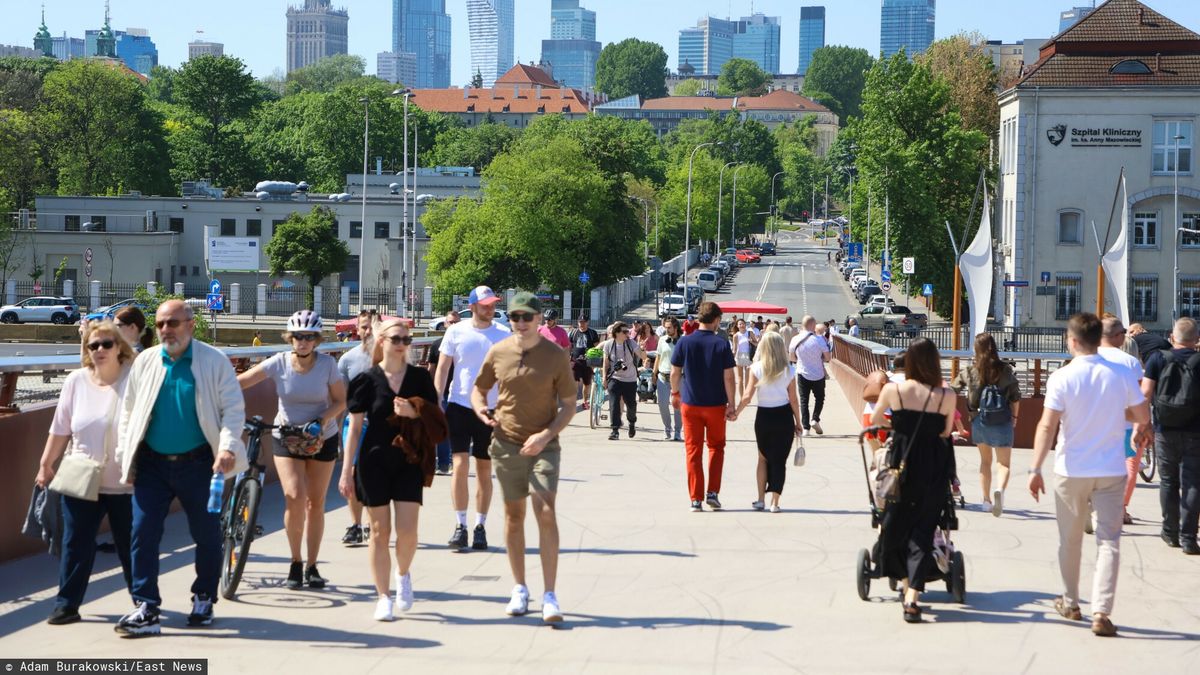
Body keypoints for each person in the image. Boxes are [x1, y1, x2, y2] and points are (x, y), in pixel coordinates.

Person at [114, 300, 246, 637]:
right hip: (152, 464)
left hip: (199, 463)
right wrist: (124, 455)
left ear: (190, 324)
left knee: (206, 534)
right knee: (142, 533)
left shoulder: (212, 361)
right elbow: (128, 412)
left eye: (172, 323)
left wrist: (228, 447)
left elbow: (232, 408)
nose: (165, 331)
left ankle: (203, 597)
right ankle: (146, 607)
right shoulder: (145, 361)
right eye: (159, 325)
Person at [1028, 313, 1148, 637]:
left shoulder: (1062, 378)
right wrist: (1133, 424)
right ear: (1100, 339)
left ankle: (1070, 602)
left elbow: (1047, 425)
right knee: (1109, 542)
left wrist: (1035, 468)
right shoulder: (1120, 374)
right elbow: (1141, 412)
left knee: (1070, 540)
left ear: (1073, 341)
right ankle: (1101, 612)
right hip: (1110, 469)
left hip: (1071, 469)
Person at [471, 292, 576, 623]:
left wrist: (546, 435)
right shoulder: (499, 351)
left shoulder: (555, 356)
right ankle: (519, 588)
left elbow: (570, 404)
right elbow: (478, 388)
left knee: (545, 511)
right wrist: (481, 410)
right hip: (506, 443)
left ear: (538, 319)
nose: (520, 323)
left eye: (526, 317)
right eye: (515, 317)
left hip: (544, 443)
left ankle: (550, 595)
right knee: (513, 515)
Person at [339, 319, 445, 621]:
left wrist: (415, 411)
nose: (402, 344)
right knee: (378, 532)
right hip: (373, 461)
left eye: (406, 340)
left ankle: (403, 573)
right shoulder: (366, 380)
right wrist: (346, 471)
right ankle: (383, 595)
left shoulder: (419, 379)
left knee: (408, 532)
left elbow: (436, 417)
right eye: (396, 339)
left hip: (409, 460)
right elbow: (355, 429)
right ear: (381, 341)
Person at [36, 321, 135, 625]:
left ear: (120, 346)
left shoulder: (135, 379)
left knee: (132, 546)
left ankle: (144, 604)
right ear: (86, 350)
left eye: (106, 343)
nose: (100, 350)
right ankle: (67, 604)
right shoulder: (77, 381)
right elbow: (60, 428)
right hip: (82, 476)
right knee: (76, 543)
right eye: (93, 345)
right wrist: (45, 465)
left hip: (127, 481)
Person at [237, 310, 345, 589]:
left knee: (315, 503)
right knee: (294, 496)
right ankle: (295, 562)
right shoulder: (279, 363)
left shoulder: (327, 366)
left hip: (321, 437)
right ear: (290, 338)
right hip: (286, 436)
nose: (303, 342)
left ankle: (312, 565)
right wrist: (209, 384)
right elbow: (242, 382)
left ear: (317, 340)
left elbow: (341, 401)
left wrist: (321, 421)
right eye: (298, 336)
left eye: (309, 337)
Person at [870, 337, 957, 624]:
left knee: (896, 527)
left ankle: (906, 585)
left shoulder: (894, 390)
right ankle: (912, 597)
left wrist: (898, 425)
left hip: (901, 468)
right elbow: (945, 433)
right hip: (933, 470)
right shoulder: (946, 396)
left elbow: (878, 421)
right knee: (922, 532)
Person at [434, 286, 511, 552]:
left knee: (483, 470)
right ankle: (460, 525)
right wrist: (437, 400)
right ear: (473, 306)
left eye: (493, 304)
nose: (490, 308)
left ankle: (480, 526)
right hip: (459, 405)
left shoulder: (503, 334)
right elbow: (443, 368)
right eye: (486, 304)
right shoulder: (456, 331)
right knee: (459, 465)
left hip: (490, 410)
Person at [1138, 317, 1200, 554]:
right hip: (1195, 431)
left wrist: (1145, 425)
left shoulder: (1158, 358)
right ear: (1196, 340)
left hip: (1165, 429)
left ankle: (1170, 532)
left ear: (1172, 337)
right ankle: (1188, 538)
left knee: (1168, 481)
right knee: (1193, 482)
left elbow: (1145, 394)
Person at [670, 301, 737, 512]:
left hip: (691, 404)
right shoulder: (721, 344)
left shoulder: (684, 342)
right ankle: (712, 493)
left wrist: (675, 393)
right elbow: (728, 376)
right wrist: (732, 404)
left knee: (693, 450)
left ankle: (695, 499)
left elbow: (675, 372)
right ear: (716, 320)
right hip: (716, 405)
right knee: (716, 448)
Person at [950, 333, 1020, 517]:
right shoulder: (1005, 370)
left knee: (985, 462)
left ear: (976, 349)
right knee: (1003, 464)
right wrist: (1015, 417)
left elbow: (952, 389)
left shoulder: (970, 371)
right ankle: (1000, 491)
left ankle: (986, 501)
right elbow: (1015, 396)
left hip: (978, 420)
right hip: (1002, 419)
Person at [734, 332, 802, 513]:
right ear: (781, 347)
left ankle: (760, 499)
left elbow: (747, 396)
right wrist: (799, 422)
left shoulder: (756, 368)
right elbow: (793, 399)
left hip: (763, 417)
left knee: (762, 458)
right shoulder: (789, 369)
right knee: (780, 461)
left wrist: (736, 413)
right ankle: (775, 503)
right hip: (784, 416)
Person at [1096, 318, 1146, 526]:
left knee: (1099, 465)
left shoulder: (1091, 357)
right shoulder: (1131, 363)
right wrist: (1143, 423)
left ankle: (1097, 503)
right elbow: (1140, 396)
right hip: (1126, 424)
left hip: (1097, 423)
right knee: (1130, 466)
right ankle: (1120, 508)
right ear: (1119, 336)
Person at [338, 310, 379, 545]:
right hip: (354, 426)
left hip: (382, 426)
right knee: (352, 474)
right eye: (364, 327)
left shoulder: (391, 357)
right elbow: (341, 400)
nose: (368, 331)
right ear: (357, 329)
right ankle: (356, 524)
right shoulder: (347, 360)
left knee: (375, 476)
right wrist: (331, 431)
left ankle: (376, 524)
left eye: (372, 326)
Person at [425, 310, 461, 476]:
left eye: (455, 322)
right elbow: (431, 370)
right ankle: (444, 463)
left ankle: (455, 460)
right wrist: (432, 391)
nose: (452, 325)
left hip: (460, 393)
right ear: (445, 324)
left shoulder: (464, 344)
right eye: (450, 322)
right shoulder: (436, 345)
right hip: (442, 393)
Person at [601, 321, 648, 441]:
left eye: (628, 331)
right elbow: (605, 364)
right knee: (614, 404)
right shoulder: (608, 345)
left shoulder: (631, 343)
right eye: (624, 331)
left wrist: (642, 349)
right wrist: (604, 378)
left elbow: (643, 357)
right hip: (615, 378)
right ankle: (614, 430)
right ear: (616, 333)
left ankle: (631, 423)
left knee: (631, 405)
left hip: (630, 379)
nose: (627, 333)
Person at [789, 316, 831, 436]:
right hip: (818, 374)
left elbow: (792, 358)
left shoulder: (795, 339)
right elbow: (828, 358)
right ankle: (815, 419)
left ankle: (806, 428)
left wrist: (802, 359)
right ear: (813, 325)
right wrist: (819, 358)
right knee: (819, 398)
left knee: (804, 401)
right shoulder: (819, 340)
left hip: (802, 372)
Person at [652, 317, 683, 442]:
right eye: (665, 327)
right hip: (663, 377)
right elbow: (658, 358)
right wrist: (654, 374)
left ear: (676, 327)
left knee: (677, 406)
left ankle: (677, 432)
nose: (667, 329)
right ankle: (667, 428)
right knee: (662, 404)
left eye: (669, 327)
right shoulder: (662, 340)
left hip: (679, 378)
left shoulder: (683, 340)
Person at [567, 316, 600, 410]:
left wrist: (595, 363)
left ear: (587, 322)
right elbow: (569, 346)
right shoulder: (573, 332)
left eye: (584, 322)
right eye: (580, 322)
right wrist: (568, 359)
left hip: (588, 362)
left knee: (587, 384)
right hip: (575, 361)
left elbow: (597, 347)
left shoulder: (592, 333)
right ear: (577, 323)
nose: (581, 324)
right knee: (574, 382)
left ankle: (585, 402)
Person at [731, 319, 754, 400]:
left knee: (747, 378)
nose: (742, 325)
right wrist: (731, 358)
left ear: (745, 324)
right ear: (737, 326)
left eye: (743, 323)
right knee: (740, 379)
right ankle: (742, 398)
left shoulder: (749, 333)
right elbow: (734, 349)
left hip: (748, 356)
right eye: (740, 324)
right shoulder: (736, 335)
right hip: (739, 356)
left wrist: (752, 341)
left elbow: (757, 343)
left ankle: (746, 397)